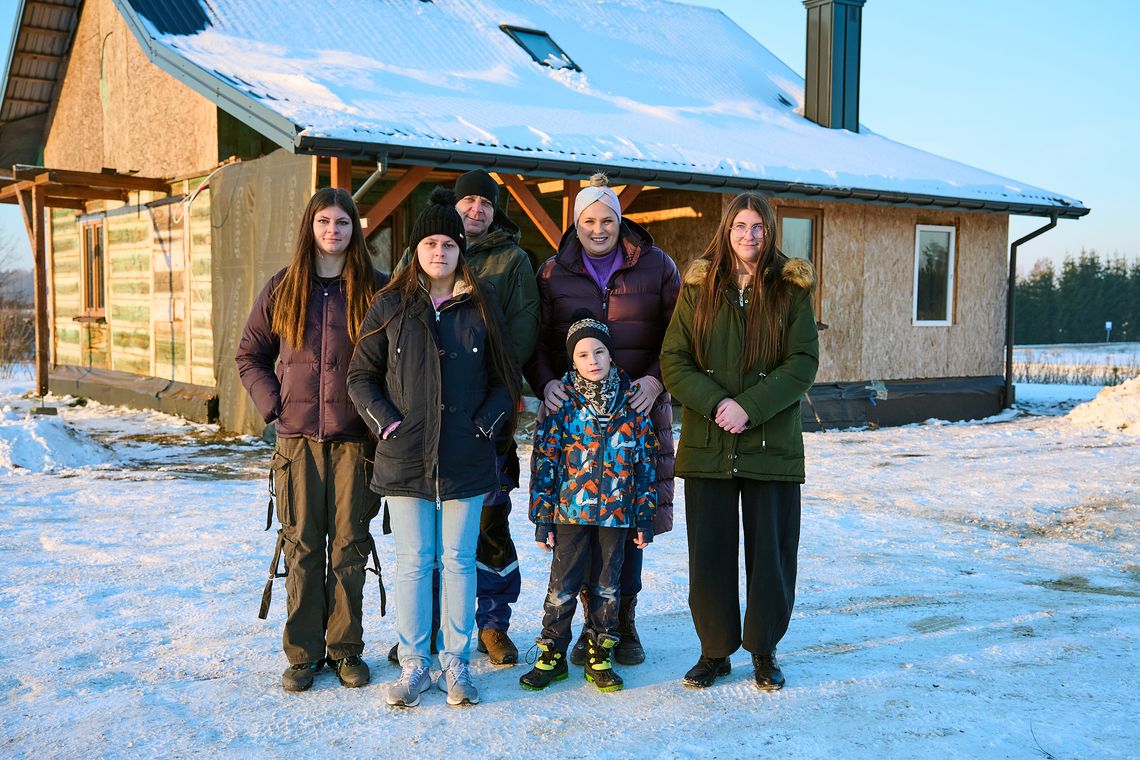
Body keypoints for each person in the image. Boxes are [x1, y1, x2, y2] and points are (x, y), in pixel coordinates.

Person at [347, 187, 519, 708]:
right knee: (415, 561)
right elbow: (360, 376)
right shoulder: (391, 305)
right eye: (429, 243)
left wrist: (483, 426)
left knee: (460, 561)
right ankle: (414, 663)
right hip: (405, 454)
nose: (439, 252)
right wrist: (388, 425)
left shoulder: (480, 303)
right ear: (416, 250)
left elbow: (503, 382)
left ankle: (456, 663)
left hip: (465, 455)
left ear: (459, 250)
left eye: (448, 243)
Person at [660, 192, 818, 691]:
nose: (749, 236)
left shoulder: (790, 292)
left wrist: (751, 406)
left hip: (770, 445)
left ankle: (764, 649)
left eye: (759, 227)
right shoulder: (698, 289)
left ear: (771, 232)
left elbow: (802, 362)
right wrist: (716, 404)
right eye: (740, 226)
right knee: (709, 554)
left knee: (770, 555)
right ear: (725, 231)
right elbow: (674, 360)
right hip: (709, 444)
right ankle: (714, 651)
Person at [524, 172, 679, 666]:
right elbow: (539, 339)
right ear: (576, 223)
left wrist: (656, 381)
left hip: (638, 410)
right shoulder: (553, 273)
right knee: (579, 522)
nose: (598, 228)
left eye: (607, 219)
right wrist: (546, 382)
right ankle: (588, 625)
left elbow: (681, 335)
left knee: (631, 519)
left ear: (620, 221)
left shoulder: (655, 267)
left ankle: (622, 623)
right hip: (576, 415)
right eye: (588, 220)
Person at [235, 187, 387, 692]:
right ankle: (303, 654)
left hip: (354, 442)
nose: (333, 231)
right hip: (297, 441)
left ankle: (345, 649)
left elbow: (395, 360)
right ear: (310, 226)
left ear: (355, 230)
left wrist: (381, 418)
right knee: (300, 546)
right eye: (324, 221)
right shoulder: (284, 287)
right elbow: (249, 354)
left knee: (348, 545)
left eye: (343, 222)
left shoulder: (374, 288)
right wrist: (273, 404)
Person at [390, 169, 539, 666]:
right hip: (423, 427)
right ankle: (426, 626)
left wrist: (485, 402)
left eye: (486, 203)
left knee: (490, 527)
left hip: (483, 423)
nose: (476, 209)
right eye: (468, 200)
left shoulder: (512, 261)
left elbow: (518, 336)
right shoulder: (420, 254)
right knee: (430, 537)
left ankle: (493, 624)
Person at [519, 311, 657, 693]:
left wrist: (643, 517)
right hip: (570, 512)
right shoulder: (562, 403)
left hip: (617, 513)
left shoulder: (633, 405)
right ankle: (552, 654)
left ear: (611, 355)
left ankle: (600, 652)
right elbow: (545, 461)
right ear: (571, 360)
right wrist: (543, 517)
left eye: (599, 352)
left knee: (607, 586)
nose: (592, 361)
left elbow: (645, 464)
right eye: (582, 354)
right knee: (562, 586)